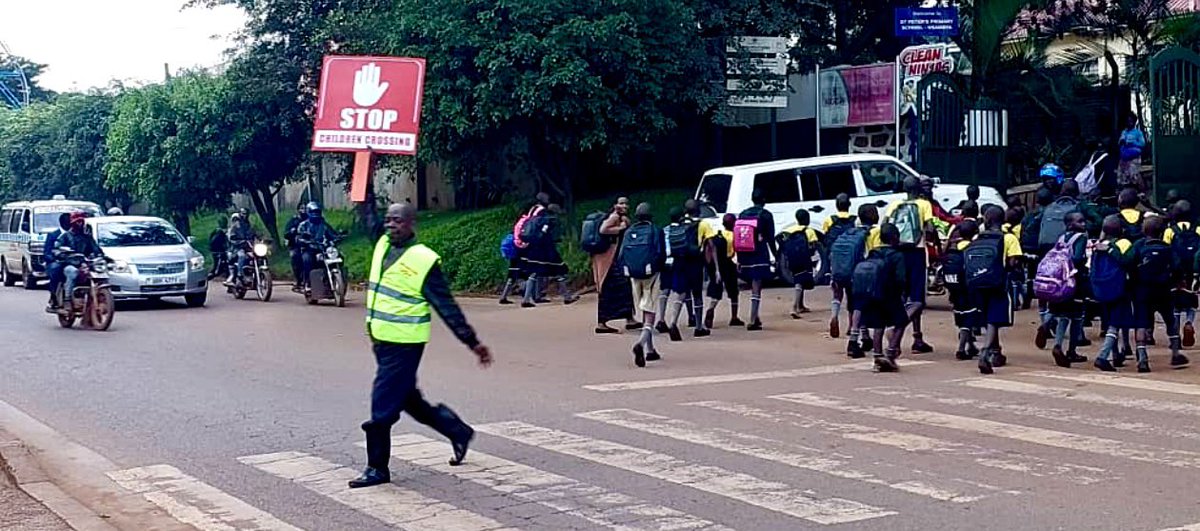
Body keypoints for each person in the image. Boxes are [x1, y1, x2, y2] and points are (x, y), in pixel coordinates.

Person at [349, 203, 493, 489]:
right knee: (407, 399)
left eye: (398, 221)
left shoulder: (423, 260)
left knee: (382, 406)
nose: (391, 225)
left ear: (411, 223)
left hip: (406, 344)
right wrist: (363, 170)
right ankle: (458, 431)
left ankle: (377, 468)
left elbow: (446, 305)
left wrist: (471, 341)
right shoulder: (382, 244)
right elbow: (367, 213)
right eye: (388, 220)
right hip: (382, 341)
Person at [884, 176, 937, 353]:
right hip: (916, 253)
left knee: (902, 296)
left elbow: (884, 227)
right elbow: (929, 229)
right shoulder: (924, 204)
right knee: (917, 300)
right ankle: (899, 331)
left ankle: (916, 337)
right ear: (919, 189)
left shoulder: (894, 206)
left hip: (897, 253)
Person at [1130, 216, 1190, 372]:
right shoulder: (1168, 249)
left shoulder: (1138, 246)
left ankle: (1142, 359)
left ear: (1144, 230)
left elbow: (1130, 265)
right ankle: (1176, 354)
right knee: (1170, 321)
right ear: (1163, 231)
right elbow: (1177, 268)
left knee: (1141, 323)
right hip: (1163, 290)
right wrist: (1177, 282)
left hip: (1142, 291)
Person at [974, 205, 1024, 374]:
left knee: (988, 316)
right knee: (994, 319)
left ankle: (996, 351)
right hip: (999, 282)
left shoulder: (979, 237)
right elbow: (1013, 262)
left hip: (978, 282)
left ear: (986, 220)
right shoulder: (1008, 238)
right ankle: (986, 352)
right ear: (1003, 220)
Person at [857, 223, 908, 372]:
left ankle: (877, 358)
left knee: (878, 326)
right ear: (895, 238)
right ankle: (891, 352)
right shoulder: (897, 255)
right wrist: (901, 293)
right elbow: (900, 278)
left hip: (873, 293)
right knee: (901, 322)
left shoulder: (874, 252)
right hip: (891, 294)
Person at [622, 203, 666, 367]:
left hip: (633, 275)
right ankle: (640, 344)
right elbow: (661, 253)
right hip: (651, 274)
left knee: (643, 308)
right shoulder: (655, 230)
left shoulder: (629, 231)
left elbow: (621, 255)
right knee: (651, 312)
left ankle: (650, 349)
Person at [1092, 215, 1137, 372]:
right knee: (1115, 324)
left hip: (1101, 289)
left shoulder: (1098, 245)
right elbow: (1128, 261)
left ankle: (1116, 354)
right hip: (1119, 289)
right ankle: (1103, 356)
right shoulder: (1124, 243)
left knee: (1109, 321)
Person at [1047, 212, 1091, 368]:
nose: (1084, 224)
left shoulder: (1061, 238)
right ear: (1070, 224)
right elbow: (1078, 258)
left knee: (1063, 314)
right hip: (1076, 281)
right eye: (1080, 221)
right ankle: (1071, 351)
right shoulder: (1081, 238)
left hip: (1061, 281)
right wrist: (1085, 260)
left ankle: (1057, 343)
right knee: (1077, 317)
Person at [662, 207, 709, 340]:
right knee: (697, 295)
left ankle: (673, 322)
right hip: (694, 263)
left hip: (679, 263)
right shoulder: (696, 225)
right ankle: (699, 327)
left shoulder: (674, 227)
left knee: (681, 294)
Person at [593, 197, 638, 334]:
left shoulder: (621, 217)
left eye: (626, 203)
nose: (624, 205)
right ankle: (602, 323)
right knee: (609, 290)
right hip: (610, 260)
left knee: (624, 288)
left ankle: (629, 318)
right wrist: (620, 228)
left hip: (617, 258)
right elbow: (603, 229)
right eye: (621, 203)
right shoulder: (613, 217)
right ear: (615, 205)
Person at [736, 189, 778, 331]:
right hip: (759, 252)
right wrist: (776, 256)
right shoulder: (766, 215)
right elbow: (771, 238)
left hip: (744, 253)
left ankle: (756, 316)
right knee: (756, 285)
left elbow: (739, 236)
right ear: (763, 200)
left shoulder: (743, 214)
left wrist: (739, 259)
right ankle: (753, 318)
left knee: (752, 283)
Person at [520, 204, 577, 307]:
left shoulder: (533, 220)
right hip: (547, 250)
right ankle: (567, 297)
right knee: (560, 272)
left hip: (533, 250)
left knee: (533, 273)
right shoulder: (548, 220)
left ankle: (526, 299)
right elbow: (550, 235)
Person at [845, 205, 883, 358]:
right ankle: (859, 342)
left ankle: (860, 338)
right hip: (869, 272)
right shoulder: (875, 232)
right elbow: (876, 252)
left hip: (853, 271)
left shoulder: (854, 231)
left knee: (858, 306)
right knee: (870, 306)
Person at [1164, 200, 1200, 348]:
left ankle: (1176, 335)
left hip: (1175, 272)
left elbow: (1165, 251)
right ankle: (1189, 322)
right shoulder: (1197, 229)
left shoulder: (1170, 231)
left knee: (1175, 305)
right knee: (1192, 301)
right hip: (1193, 271)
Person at [945, 219, 980, 361]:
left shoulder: (953, 249)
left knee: (961, 316)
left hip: (954, 289)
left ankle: (970, 345)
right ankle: (961, 348)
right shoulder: (972, 249)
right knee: (969, 318)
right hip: (968, 288)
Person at [823, 194, 857, 337]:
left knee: (837, 292)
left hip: (836, 261)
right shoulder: (854, 220)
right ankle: (851, 325)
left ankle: (834, 316)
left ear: (836, 205)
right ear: (849, 205)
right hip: (852, 262)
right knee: (851, 294)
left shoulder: (829, 220)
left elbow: (826, 240)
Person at [53, 211, 103, 309]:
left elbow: (95, 249)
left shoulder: (87, 237)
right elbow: (56, 248)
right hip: (70, 264)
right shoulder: (65, 236)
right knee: (73, 272)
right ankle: (67, 299)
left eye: (81, 221)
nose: (80, 224)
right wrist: (62, 253)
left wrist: (100, 255)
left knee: (99, 273)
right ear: (72, 223)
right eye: (77, 221)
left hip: (85, 264)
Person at [705, 214, 743, 328]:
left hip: (717, 265)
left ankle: (711, 309)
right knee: (733, 291)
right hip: (728, 263)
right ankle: (734, 317)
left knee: (717, 291)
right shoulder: (733, 236)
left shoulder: (719, 235)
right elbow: (735, 251)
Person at [780, 208, 819, 319]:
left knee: (799, 278)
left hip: (792, 259)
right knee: (800, 282)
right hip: (804, 259)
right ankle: (794, 307)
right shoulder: (809, 231)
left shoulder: (789, 230)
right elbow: (813, 244)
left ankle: (801, 305)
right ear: (807, 219)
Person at [297, 202, 343, 291]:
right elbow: (299, 237)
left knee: (340, 256)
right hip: (310, 249)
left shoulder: (324, 225)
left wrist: (338, 237)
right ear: (308, 212)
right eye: (313, 212)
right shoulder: (303, 225)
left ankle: (339, 279)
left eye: (317, 212)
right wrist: (305, 241)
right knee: (307, 260)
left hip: (324, 249)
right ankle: (308, 283)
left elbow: (332, 234)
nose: (315, 214)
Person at [43, 213, 70, 311]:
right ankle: (53, 297)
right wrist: (55, 259)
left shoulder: (76, 235)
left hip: (72, 262)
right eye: (68, 222)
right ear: (62, 223)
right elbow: (47, 253)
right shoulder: (53, 235)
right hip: (57, 262)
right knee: (56, 269)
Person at [226, 210, 257, 286]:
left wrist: (264, 238)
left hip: (249, 247)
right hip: (238, 247)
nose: (245, 215)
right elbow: (231, 237)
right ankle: (240, 274)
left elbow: (256, 233)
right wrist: (238, 240)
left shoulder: (249, 225)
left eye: (246, 214)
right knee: (242, 256)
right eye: (243, 214)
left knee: (260, 255)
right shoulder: (235, 225)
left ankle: (258, 273)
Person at [1118, 114, 1147, 192]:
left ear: (1134, 122)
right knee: (1124, 177)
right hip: (1124, 158)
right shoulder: (1124, 132)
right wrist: (1122, 141)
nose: (1129, 123)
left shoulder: (1138, 133)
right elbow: (1120, 142)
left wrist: (1132, 143)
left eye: (1131, 121)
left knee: (1134, 175)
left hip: (1134, 158)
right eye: (1128, 121)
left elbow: (1142, 144)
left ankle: (1140, 192)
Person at [284, 204, 308, 291]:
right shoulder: (294, 220)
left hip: (310, 245)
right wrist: (291, 232)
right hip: (296, 245)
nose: (304, 210)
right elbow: (286, 234)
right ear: (298, 209)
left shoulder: (312, 220)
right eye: (302, 208)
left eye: (305, 208)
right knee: (295, 256)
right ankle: (298, 280)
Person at [206, 217, 230, 281]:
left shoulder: (216, 230)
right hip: (219, 250)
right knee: (217, 266)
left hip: (217, 250)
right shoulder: (221, 232)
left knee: (219, 264)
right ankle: (211, 275)